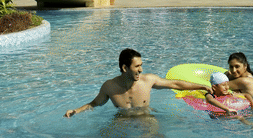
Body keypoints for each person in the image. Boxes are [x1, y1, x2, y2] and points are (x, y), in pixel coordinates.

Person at [64, 48, 210, 118]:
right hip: (122, 120)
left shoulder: (148, 80)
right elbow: (94, 104)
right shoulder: (109, 86)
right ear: (124, 68)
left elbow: (176, 84)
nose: (141, 70)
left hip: (145, 118)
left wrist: (202, 86)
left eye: (141, 65)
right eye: (137, 66)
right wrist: (75, 111)